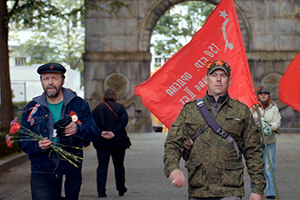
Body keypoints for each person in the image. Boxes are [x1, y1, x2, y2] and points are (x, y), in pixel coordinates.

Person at [163, 60, 266, 200]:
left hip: (230, 190)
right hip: (199, 189)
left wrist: (258, 189)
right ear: (206, 79)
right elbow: (173, 143)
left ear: (229, 81)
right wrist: (173, 168)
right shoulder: (190, 110)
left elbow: (253, 151)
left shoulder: (241, 111)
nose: (218, 79)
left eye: (223, 75)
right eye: (214, 75)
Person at [18, 63, 100, 200]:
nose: (50, 82)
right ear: (41, 81)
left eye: (54, 78)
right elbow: (22, 140)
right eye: (46, 78)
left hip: (69, 172)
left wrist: (78, 128)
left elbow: (94, 133)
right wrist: (37, 145)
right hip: (41, 172)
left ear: (63, 80)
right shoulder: (32, 108)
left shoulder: (79, 105)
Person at [92, 89, 130, 198]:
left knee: (102, 166)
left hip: (102, 141)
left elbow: (92, 122)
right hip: (118, 141)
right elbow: (124, 121)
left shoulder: (98, 108)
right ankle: (121, 188)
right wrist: (114, 132)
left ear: (104, 96)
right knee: (119, 165)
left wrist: (101, 132)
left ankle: (101, 191)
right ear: (115, 96)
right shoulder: (120, 107)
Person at [251, 86, 281, 199]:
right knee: (255, 167)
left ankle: (270, 191)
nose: (263, 95)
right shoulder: (253, 108)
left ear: (268, 95)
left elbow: (277, 121)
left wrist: (269, 127)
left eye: (265, 93)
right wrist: (257, 125)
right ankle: (255, 190)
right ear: (258, 95)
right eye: (261, 94)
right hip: (256, 142)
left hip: (269, 141)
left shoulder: (273, 108)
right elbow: (249, 121)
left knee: (269, 167)